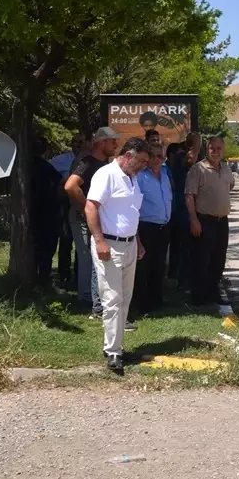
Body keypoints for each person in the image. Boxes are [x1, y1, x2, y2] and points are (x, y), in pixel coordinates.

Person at [86, 137, 149, 373]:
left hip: (130, 244)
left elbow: (131, 214)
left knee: (124, 299)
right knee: (112, 299)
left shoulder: (133, 179)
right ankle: (113, 352)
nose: (144, 165)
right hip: (109, 245)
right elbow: (90, 207)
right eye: (141, 160)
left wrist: (138, 241)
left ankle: (116, 345)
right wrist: (99, 241)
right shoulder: (106, 175)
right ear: (129, 155)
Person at [64, 127, 119, 316]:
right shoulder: (87, 162)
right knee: (91, 258)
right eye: (113, 141)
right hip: (82, 219)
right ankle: (91, 301)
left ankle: (92, 299)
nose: (116, 145)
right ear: (102, 142)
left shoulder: (105, 164)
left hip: (95, 219)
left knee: (94, 259)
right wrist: (87, 208)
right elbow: (71, 186)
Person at [184, 135, 234, 307]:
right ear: (207, 149)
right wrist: (194, 220)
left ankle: (213, 293)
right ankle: (199, 298)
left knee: (218, 260)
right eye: (212, 148)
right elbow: (189, 196)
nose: (216, 152)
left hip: (222, 222)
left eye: (219, 148)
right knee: (201, 260)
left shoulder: (226, 169)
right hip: (204, 221)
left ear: (223, 150)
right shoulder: (198, 169)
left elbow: (230, 186)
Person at [130, 143, 172, 319]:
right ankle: (141, 304)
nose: (157, 160)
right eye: (153, 156)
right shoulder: (140, 177)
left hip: (163, 227)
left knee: (159, 265)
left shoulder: (165, 175)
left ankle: (156, 301)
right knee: (143, 267)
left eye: (160, 156)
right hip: (146, 227)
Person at [167, 132, 202, 284]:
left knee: (183, 244)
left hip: (186, 206)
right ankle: (182, 278)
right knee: (184, 244)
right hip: (183, 207)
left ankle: (180, 275)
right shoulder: (185, 157)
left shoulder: (183, 157)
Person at [51, 135, 85, 288]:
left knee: (82, 243)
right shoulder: (59, 160)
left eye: (81, 142)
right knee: (65, 239)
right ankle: (64, 275)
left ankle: (80, 274)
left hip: (82, 202)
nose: (78, 145)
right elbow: (51, 179)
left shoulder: (88, 161)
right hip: (64, 203)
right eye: (75, 142)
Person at [29, 137, 63, 286]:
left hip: (32, 212)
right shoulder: (46, 167)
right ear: (45, 150)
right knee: (47, 247)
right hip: (47, 213)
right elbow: (62, 182)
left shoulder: (26, 166)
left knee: (36, 246)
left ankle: (36, 276)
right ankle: (44, 278)